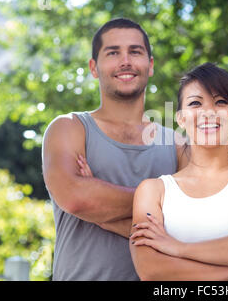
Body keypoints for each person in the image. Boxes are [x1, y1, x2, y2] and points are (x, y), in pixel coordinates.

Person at [41, 18, 183, 280]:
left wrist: (99, 206)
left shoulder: (177, 144)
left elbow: (188, 225)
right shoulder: (69, 128)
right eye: (113, 52)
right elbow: (75, 198)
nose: (125, 61)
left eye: (135, 52)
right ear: (94, 67)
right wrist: (163, 204)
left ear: (150, 65)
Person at [128, 62, 228, 280]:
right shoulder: (153, 191)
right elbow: (152, 270)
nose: (208, 112)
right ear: (180, 118)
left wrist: (178, 248)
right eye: (196, 103)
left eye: (221, 102)